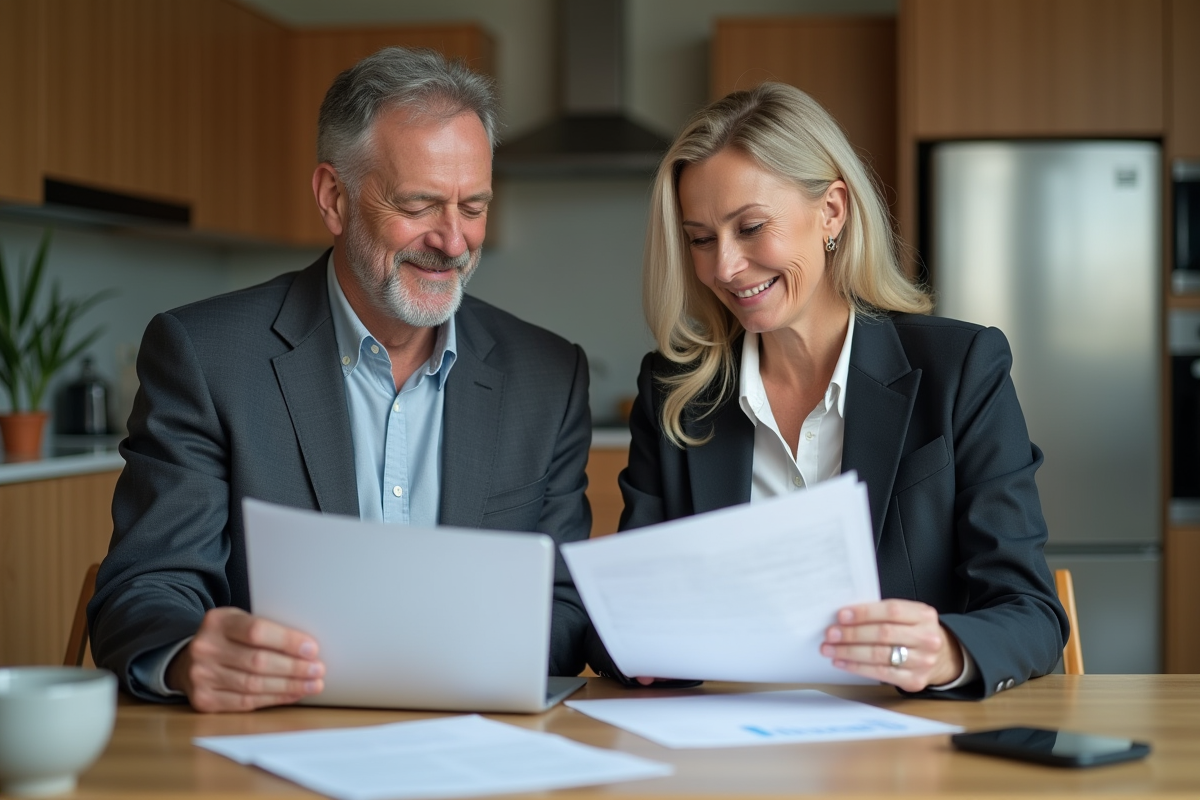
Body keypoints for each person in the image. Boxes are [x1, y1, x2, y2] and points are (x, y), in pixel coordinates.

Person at [87, 47, 593, 712]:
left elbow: (562, 605)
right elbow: (147, 588)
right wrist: (187, 657)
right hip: (269, 741)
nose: (453, 240)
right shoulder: (206, 357)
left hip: (478, 746)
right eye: (420, 204)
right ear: (333, 197)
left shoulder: (548, 377)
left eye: (473, 205)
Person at [593, 82, 1067, 699]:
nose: (725, 268)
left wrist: (945, 652)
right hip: (728, 750)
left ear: (832, 213)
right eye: (701, 238)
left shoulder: (960, 370)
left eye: (752, 227)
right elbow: (624, 622)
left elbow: (1030, 613)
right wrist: (634, 645)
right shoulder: (676, 393)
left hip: (907, 755)